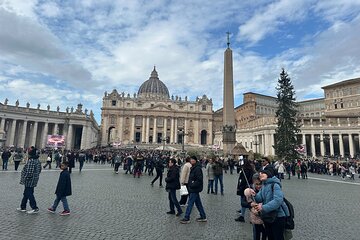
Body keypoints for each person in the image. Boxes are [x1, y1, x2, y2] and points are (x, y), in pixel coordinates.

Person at [249, 169, 289, 240]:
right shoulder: (264, 185)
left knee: (278, 237)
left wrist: (263, 208)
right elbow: (260, 198)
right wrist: (254, 194)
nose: (260, 174)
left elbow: (278, 201)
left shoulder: (275, 184)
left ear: (267, 174)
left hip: (278, 217)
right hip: (268, 216)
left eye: (262, 173)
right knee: (270, 237)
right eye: (259, 173)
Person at [180, 156, 207, 224]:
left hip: (194, 188)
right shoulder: (194, 167)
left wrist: (192, 184)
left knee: (190, 203)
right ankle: (203, 216)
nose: (191, 160)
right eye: (191, 159)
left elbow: (199, 180)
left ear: (195, 160)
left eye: (193, 159)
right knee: (198, 203)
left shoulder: (197, 168)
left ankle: (187, 217)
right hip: (194, 188)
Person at [17, 146, 42, 214]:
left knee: (29, 193)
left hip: (29, 180)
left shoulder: (31, 161)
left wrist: (25, 178)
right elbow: (40, 170)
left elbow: (29, 172)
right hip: (34, 179)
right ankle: (23, 207)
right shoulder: (37, 160)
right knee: (26, 193)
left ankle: (34, 207)